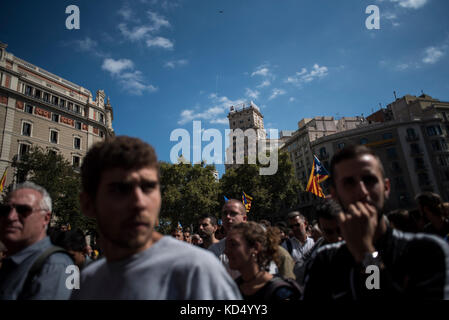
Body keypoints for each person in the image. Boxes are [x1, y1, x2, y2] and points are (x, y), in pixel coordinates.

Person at [71, 136, 241, 299]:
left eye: (148, 187)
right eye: (120, 189)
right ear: (88, 204)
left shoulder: (196, 270)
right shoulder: (88, 282)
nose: (139, 202)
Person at [303, 145, 449, 299]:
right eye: (349, 183)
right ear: (335, 195)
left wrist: (366, 254)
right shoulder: (325, 260)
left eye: (369, 180)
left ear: (386, 187)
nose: (362, 192)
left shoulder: (426, 251)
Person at [0, 182, 73, 300]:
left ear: (46, 218)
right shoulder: (12, 261)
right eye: (5, 210)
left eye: (23, 210)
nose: (10, 217)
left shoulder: (54, 266)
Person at [209, 199, 296, 280]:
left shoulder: (266, 245)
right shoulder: (213, 250)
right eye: (224, 213)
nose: (228, 217)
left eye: (233, 213)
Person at [225, 221, 301, 301]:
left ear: (255, 248)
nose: (226, 251)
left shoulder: (280, 292)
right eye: (226, 245)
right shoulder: (233, 288)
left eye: (233, 245)